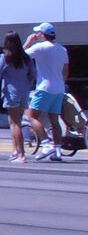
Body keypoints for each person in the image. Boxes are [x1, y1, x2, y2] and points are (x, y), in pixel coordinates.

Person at [25, 22, 71, 162]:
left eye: (37, 32)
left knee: (31, 116)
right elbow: (65, 70)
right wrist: (60, 83)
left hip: (44, 87)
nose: (36, 34)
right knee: (54, 120)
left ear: (41, 34)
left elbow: (20, 56)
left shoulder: (39, 47)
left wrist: (29, 41)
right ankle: (57, 151)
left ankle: (46, 144)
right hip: (59, 87)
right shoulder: (62, 49)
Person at [0, 32, 35, 163]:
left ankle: (21, 154)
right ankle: (15, 150)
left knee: (15, 123)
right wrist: (27, 85)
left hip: (11, 92)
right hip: (24, 91)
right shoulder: (26, 58)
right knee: (14, 121)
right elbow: (33, 75)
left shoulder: (5, 57)